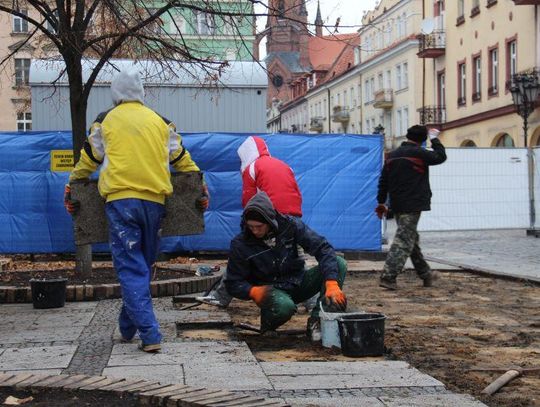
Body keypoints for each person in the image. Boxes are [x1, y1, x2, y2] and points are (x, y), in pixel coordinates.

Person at [63, 69, 208, 353]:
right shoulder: (160, 122)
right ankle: (127, 328)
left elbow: (89, 160)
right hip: (155, 203)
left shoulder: (105, 121)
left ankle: (150, 334)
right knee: (142, 264)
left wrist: (71, 182)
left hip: (121, 202)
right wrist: (200, 186)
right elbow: (182, 160)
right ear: (141, 93)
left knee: (131, 267)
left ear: (115, 95)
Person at [196, 136, 305, 308]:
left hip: (270, 216)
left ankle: (221, 297)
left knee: (242, 254)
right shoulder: (284, 165)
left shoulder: (253, 167)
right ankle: (312, 300)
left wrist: (246, 226)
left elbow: (250, 201)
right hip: (293, 215)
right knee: (295, 258)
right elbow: (296, 192)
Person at [224, 191, 347, 341]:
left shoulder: (290, 226)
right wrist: (252, 291)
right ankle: (268, 325)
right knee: (284, 307)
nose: (255, 231)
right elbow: (232, 282)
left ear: (270, 221)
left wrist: (331, 282)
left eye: (259, 226)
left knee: (339, 263)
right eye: (251, 227)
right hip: (271, 291)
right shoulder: (241, 244)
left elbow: (323, 248)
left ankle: (318, 321)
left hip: (297, 282)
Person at [376, 125, 446, 290]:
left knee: (410, 238)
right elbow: (440, 156)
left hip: (397, 204)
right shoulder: (419, 153)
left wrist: (381, 201)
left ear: (407, 136)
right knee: (403, 240)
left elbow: (383, 180)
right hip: (413, 203)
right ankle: (388, 276)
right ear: (422, 140)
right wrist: (434, 138)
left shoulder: (392, 156)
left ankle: (426, 274)